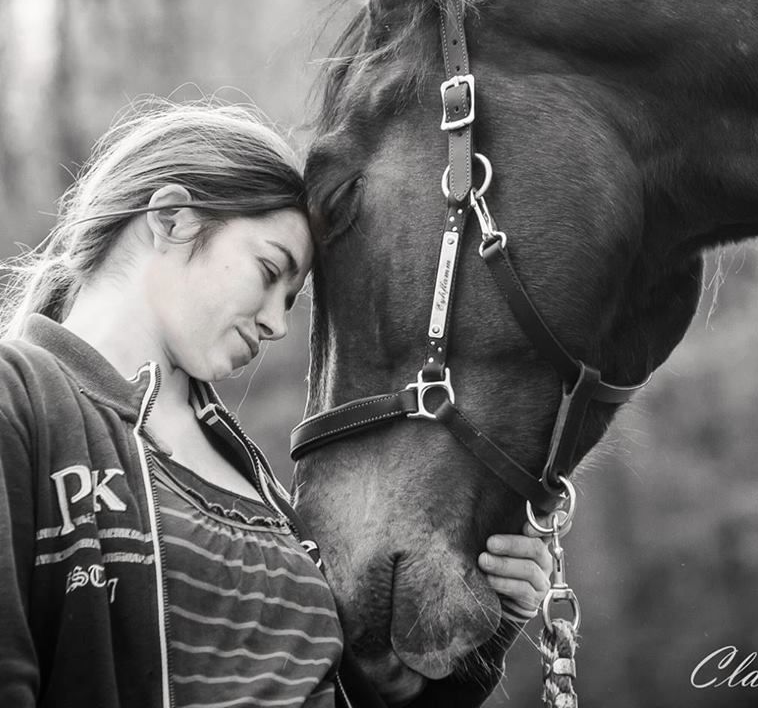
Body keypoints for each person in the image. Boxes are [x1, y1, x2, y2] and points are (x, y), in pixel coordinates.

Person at [0, 99, 550, 708]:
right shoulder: (21, 402)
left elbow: (368, 695)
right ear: (172, 219)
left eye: (291, 300)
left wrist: (491, 619)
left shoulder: (263, 489)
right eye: (270, 271)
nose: (276, 326)